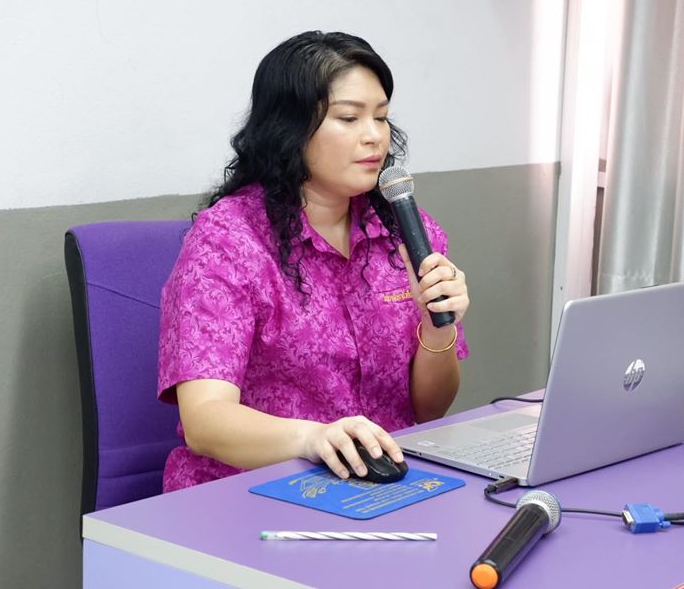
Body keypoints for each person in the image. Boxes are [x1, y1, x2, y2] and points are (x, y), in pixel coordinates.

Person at [157, 31, 470, 492]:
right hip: (253, 488)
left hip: (382, 484)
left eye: (381, 117)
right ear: (291, 129)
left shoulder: (405, 231)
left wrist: (436, 327)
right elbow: (205, 421)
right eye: (349, 118)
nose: (374, 136)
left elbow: (429, 410)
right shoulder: (228, 241)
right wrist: (313, 438)